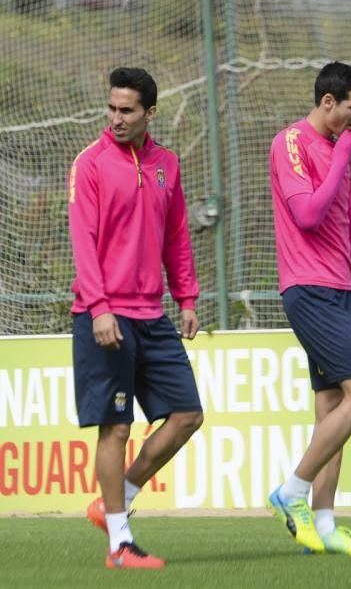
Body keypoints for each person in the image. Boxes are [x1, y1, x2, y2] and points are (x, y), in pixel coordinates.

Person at [68, 67, 203, 570]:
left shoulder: (168, 163)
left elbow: (177, 236)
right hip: (104, 315)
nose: (117, 118)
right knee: (117, 428)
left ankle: (115, 498)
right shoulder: (92, 163)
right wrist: (99, 308)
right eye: (112, 108)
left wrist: (187, 297)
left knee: (188, 414)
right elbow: (83, 241)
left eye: (128, 110)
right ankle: (120, 546)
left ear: (150, 112)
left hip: (154, 315)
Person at [268, 61, 351, 556]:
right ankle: (290, 493)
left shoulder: (335, 147)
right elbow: (307, 215)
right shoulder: (291, 143)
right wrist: (343, 155)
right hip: (307, 290)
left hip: (339, 293)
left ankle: (323, 527)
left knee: (333, 410)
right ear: (329, 102)